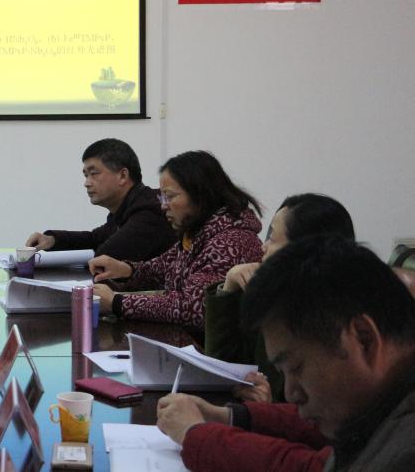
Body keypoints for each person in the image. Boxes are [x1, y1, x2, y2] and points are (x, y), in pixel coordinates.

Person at [157, 236, 415, 471]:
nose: (291, 393)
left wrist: (197, 435)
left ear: (363, 340)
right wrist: (228, 416)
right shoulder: (373, 407)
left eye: (296, 368)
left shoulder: (402, 456)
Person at [204, 193, 355, 403]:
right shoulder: (275, 302)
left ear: (302, 250)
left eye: (272, 238)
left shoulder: (333, 326)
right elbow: (223, 366)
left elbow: (319, 413)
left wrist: (270, 407)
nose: (263, 247)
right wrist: (228, 287)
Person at [89, 150, 263, 330]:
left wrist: (117, 302)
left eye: (170, 196)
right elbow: (163, 267)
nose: (163, 205)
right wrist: (127, 270)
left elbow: (193, 307)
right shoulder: (199, 232)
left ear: (200, 195)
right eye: (162, 197)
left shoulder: (230, 242)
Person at [25, 138, 175, 261]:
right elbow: (95, 238)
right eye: (86, 175)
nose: (87, 183)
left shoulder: (151, 210)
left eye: (94, 173)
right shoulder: (127, 207)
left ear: (123, 176)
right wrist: (53, 240)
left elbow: (106, 257)